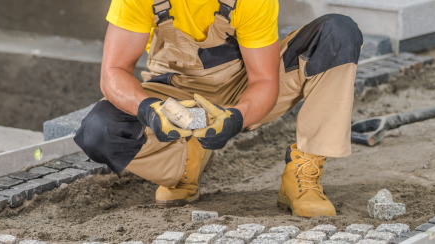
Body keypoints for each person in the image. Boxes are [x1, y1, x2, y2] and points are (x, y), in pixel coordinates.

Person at [74, 0, 363, 217]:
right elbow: (113, 71)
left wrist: (236, 118)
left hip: (244, 87)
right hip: (174, 92)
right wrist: (149, 109)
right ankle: (185, 164)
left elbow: (263, 79)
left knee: (337, 32)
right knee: (99, 131)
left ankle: (302, 175)